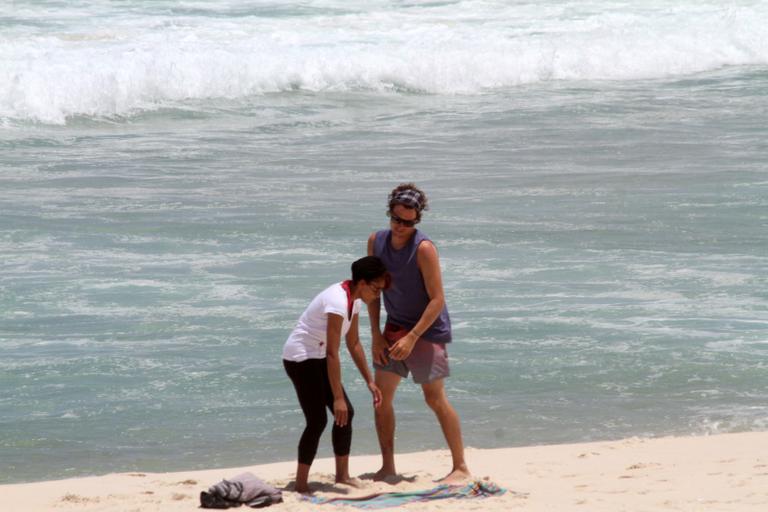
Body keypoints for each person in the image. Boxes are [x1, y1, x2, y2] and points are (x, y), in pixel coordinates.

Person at [366, 183, 471, 483]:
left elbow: (437, 299)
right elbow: (372, 292)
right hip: (393, 329)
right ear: (390, 214)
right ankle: (388, 467)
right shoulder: (376, 242)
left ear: (417, 221)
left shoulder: (424, 249)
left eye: (408, 223)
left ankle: (460, 466)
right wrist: (375, 334)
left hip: (427, 332)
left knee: (434, 398)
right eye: (397, 220)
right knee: (380, 398)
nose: (401, 227)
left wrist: (412, 337)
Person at [282, 256, 388, 493]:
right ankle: (300, 484)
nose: (378, 294)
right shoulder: (338, 301)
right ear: (362, 282)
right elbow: (332, 352)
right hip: (300, 358)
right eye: (376, 288)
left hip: (318, 356)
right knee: (317, 420)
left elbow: (354, 343)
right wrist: (337, 397)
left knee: (345, 414)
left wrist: (370, 381)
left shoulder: (356, 300)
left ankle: (342, 476)